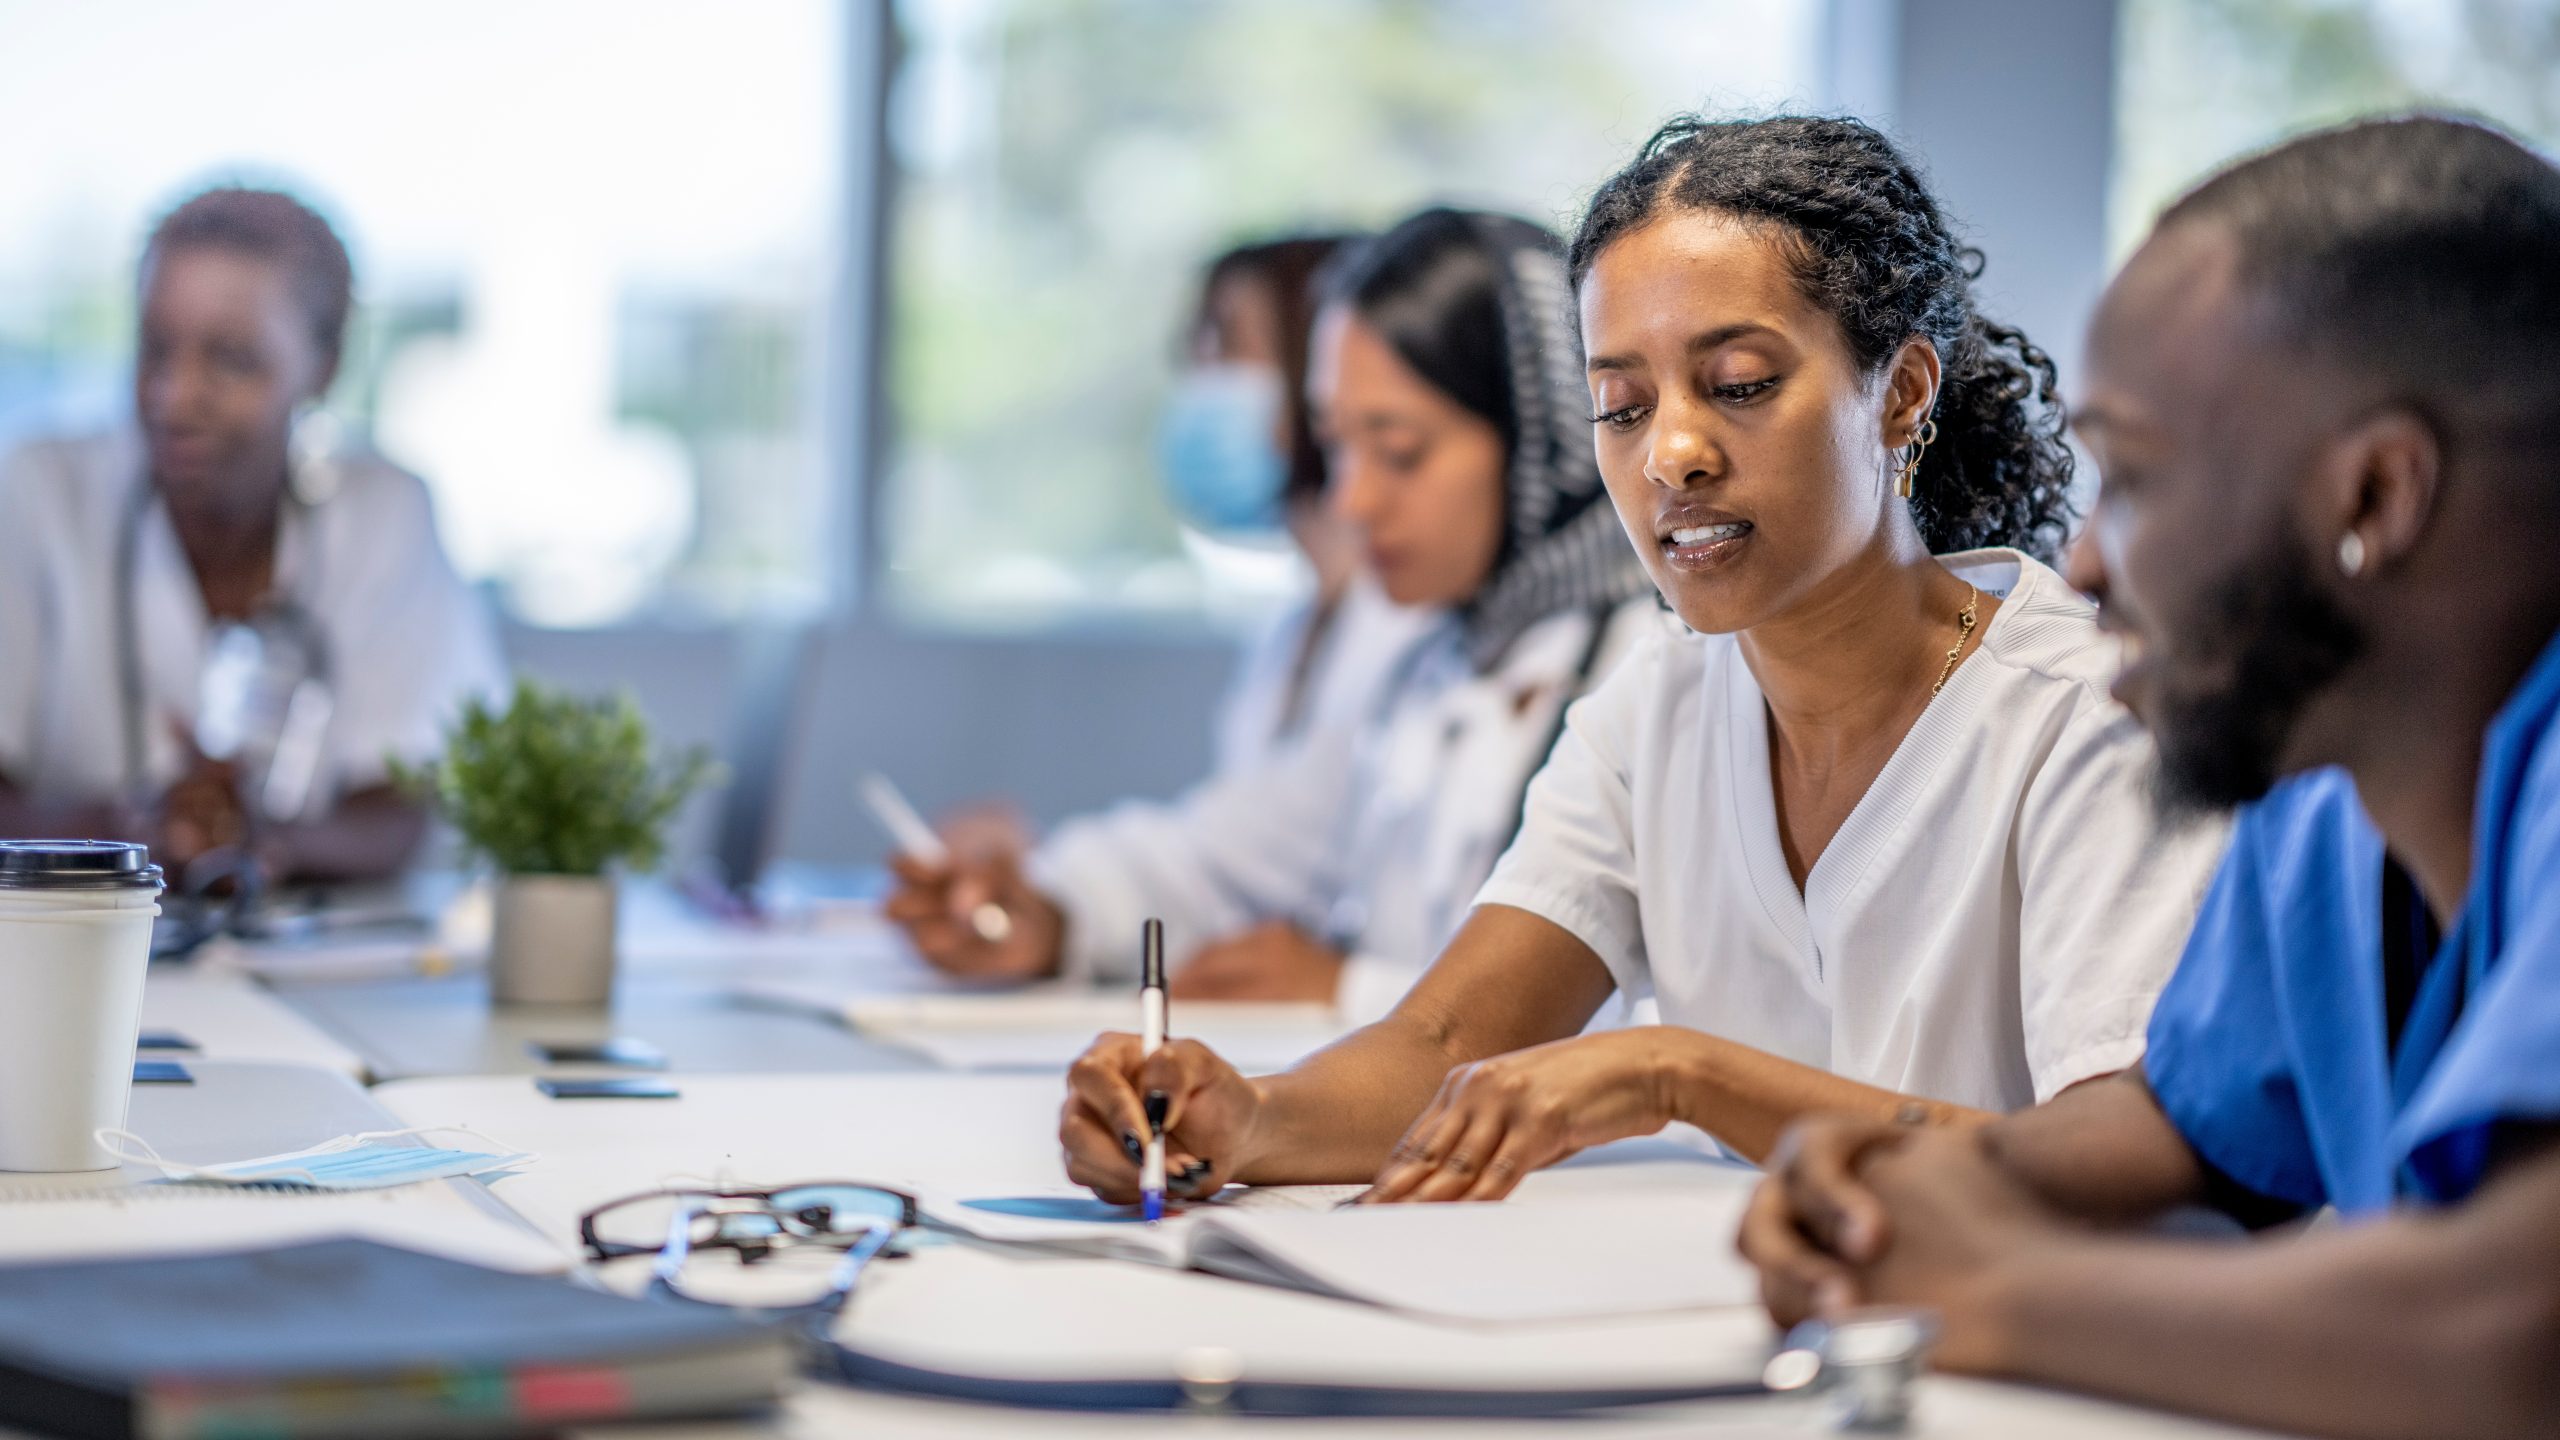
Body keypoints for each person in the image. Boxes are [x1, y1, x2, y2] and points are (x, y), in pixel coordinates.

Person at [1054, 115, 2228, 1208]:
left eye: (1739, 387)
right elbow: (1446, 1045)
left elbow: (2113, 1162)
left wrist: (1680, 1073)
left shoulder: (2086, 715)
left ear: (1900, 393)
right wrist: (1243, 1117)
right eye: (1619, 405)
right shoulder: (1652, 712)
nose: (1672, 454)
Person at [1736, 116, 2560, 1440]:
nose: (2095, 567)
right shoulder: (2325, 801)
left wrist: (1994, 1290)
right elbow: (2185, 1125)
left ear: (2376, 497)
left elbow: (2517, 1335)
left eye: (2134, 479)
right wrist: (1917, 1180)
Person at [886, 208, 1660, 1018]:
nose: (1352, 500)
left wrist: (1347, 991)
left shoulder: (1646, 673)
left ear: (1551, 440)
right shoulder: (1434, 666)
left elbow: (1669, 1030)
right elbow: (1224, 858)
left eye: (1399, 452)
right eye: (1337, 446)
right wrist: (1047, 912)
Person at [0, 187, 503, 887]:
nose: (173, 397)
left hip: (305, 960)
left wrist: (263, 843)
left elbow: (399, 810)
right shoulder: (40, 490)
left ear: (322, 366)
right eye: (155, 348)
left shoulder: (384, 511)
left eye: (232, 359)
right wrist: (127, 833)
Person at [1160, 235, 1436, 777]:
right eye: (1198, 349)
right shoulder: (1291, 628)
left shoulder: (1412, 618)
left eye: (1229, 343)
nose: (1202, 376)